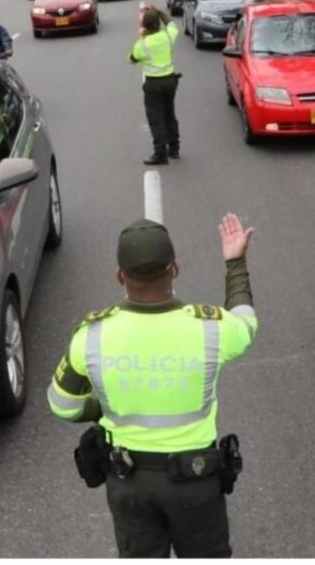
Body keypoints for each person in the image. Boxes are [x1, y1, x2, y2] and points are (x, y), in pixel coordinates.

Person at [47, 215, 258, 558]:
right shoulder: (212, 329)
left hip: (129, 483)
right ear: (175, 269)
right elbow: (247, 323)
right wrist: (235, 263)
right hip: (197, 482)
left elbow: (62, 405)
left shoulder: (90, 337)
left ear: (120, 276)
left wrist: (101, 406)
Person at [129, 6, 180, 165]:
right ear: (158, 24)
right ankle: (174, 149)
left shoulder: (143, 44)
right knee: (170, 115)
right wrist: (158, 12)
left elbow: (132, 59)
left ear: (144, 26)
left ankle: (160, 153)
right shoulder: (167, 36)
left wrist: (140, 38)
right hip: (170, 82)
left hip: (153, 85)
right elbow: (171, 23)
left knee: (156, 119)